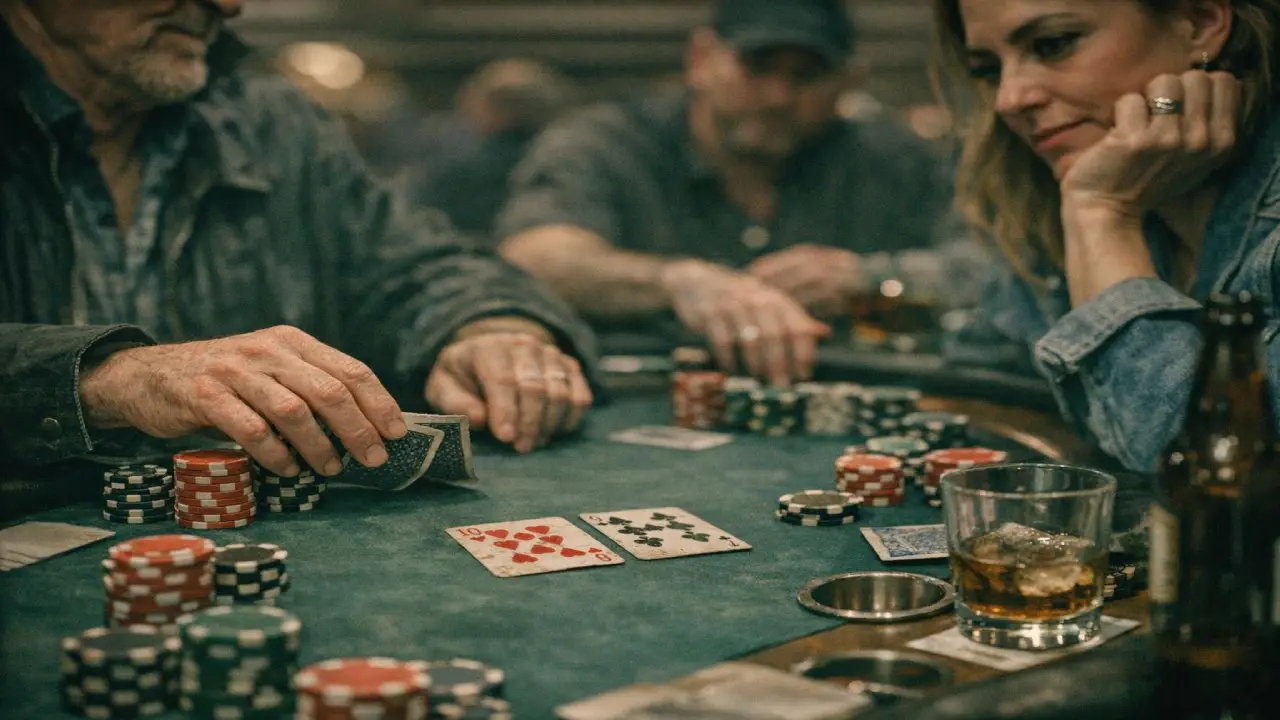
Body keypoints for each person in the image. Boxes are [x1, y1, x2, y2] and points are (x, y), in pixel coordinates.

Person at [0, 0, 599, 481]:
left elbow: (422, 264)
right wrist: (111, 379)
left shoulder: (276, 124)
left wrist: (487, 328)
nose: (227, 6)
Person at [495, 0, 965, 388]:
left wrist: (869, 277)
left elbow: (1001, 269)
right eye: (758, 66)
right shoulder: (607, 142)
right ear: (702, 59)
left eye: (807, 75)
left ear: (849, 81)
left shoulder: (892, 160)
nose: (779, 95)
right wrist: (679, 281)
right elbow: (534, 255)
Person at [933, 0, 1280, 472]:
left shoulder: (1091, 197)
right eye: (988, 69)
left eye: (1052, 44)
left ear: (1198, 23)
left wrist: (1102, 215)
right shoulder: (1046, 193)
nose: (1008, 100)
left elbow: (1212, 476)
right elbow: (979, 370)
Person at [412, 58, 580, 239]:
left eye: (475, 102)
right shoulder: (572, 162)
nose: (466, 111)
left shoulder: (463, 169)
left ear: (504, 110)